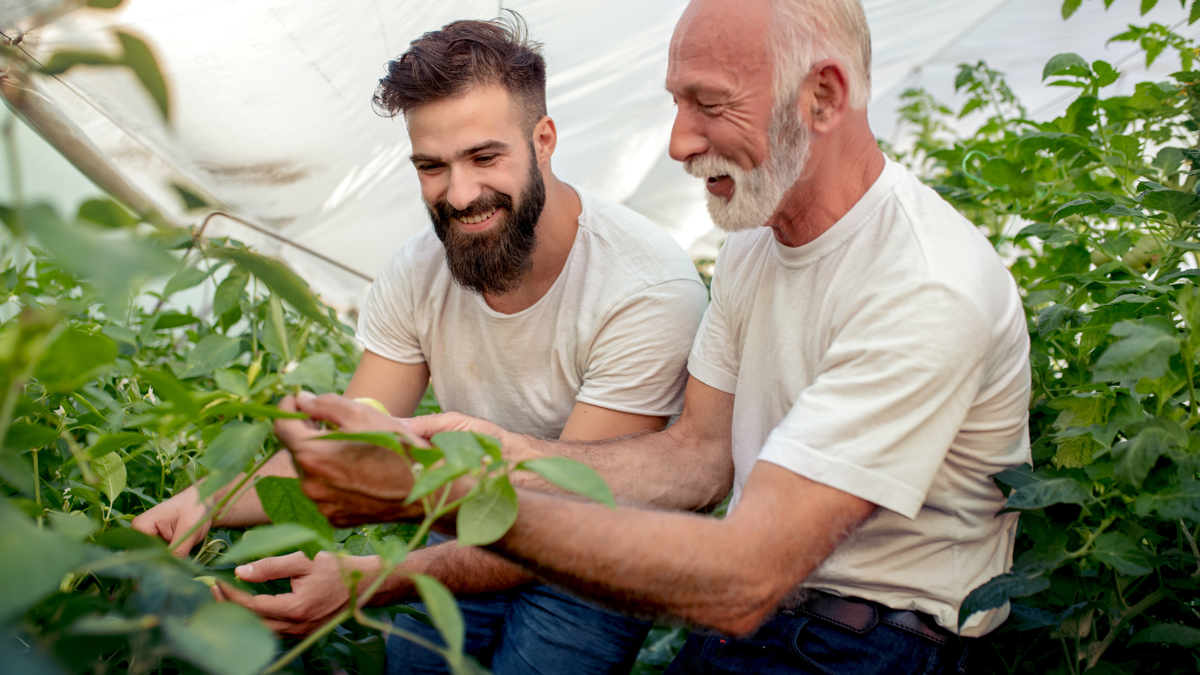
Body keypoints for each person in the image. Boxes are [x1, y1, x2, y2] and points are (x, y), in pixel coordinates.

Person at [271, 0, 1032, 673]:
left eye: (709, 104)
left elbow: (745, 573)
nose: (677, 142)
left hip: (866, 644)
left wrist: (445, 492)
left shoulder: (923, 283)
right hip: (753, 628)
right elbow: (697, 458)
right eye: (676, 102)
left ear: (823, 97)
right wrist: (507, 454)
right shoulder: (753, 250)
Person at [131, 14, 709, 675]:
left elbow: (569, 511)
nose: (459, 194)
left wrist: (374, 577)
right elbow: (351, 447)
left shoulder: (643, 286)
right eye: (432, 166)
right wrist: (208, 503)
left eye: (485, 157)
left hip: (590, 557)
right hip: (457, 530)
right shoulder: (416, 272)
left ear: (543, 140)